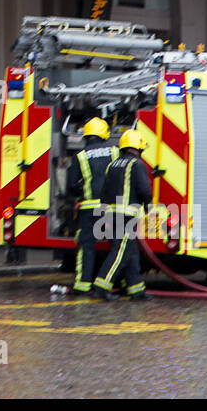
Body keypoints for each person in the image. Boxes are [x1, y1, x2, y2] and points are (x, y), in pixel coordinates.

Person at [93, 128, 152, 301]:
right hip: (126, 215)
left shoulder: (113, 164)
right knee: (119, 252)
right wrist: (148, 205)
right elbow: (144, 189)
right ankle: (102, 286)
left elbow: (104, 192)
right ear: (138, 147)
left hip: (111, 213)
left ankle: (136, 290)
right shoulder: (137, 164)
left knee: (131, 252)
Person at [65, 117, 117, 295]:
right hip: (111, 208)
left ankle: (82, 285)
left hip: (88, 209)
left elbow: (72, 185)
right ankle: (111, 284)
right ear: (104, 134)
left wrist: (82, 188)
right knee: (116, 247)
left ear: (86, 136)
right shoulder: (114, 151)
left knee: (86, 247)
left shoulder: (80, 155)